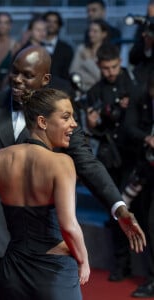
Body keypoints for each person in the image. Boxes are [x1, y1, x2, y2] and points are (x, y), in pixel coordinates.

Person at [0, 45, 146, 300]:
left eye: (26, 75)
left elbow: (89, 164)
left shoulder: (59, 114)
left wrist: (119, 207)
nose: (17, 79)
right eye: (14, 72)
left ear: (45, 79)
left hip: (36, 250)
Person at [0, 88, 89, 300]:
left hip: (13, 270)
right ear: (42, 122)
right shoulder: (62, 163)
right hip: (54, 270)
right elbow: (68, 226)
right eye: (66, 117)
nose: (74, 123)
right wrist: (83, 258)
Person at [86, 43, 139, 281]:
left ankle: (141, 265)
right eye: (106, 68)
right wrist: (93, 121)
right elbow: (92, 127)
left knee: (141, 209)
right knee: (117, 209)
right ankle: (121, 264)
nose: (111, 71)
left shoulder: (132, 82)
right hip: (110, 155)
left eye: (114, 66)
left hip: (135, 154)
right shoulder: (95, 92)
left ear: (121, 61)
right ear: (98, 66)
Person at [124, 71, 154, 298]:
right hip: (148, 172)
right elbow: (129, 127)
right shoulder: (142, 99)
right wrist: (147, 138)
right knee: (150, 223)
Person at [70, 19, 110, 92]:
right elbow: (73, 73)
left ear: (104, 34)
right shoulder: (81, 49)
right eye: (90, 31)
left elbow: (104, 77)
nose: (91, 34)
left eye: (95, 31)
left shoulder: (108, 52)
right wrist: (93, 80)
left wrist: (88, 61)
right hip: (80, 90)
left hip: (101, 92)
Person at [42, 11, 74, 80]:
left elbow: (67, 73)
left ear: (59, 26)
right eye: (48, 21)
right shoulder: (35, 46)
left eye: (55, 22)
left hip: (59, 87)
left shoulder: (67, 49)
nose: (51, 24)